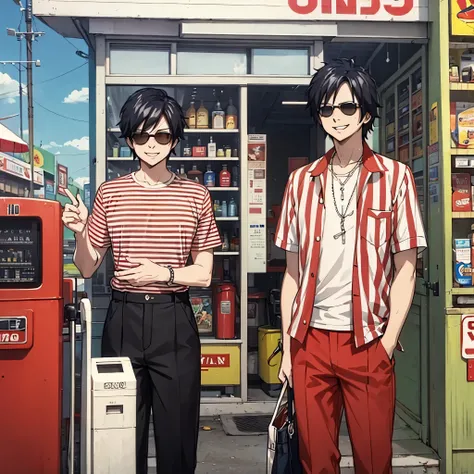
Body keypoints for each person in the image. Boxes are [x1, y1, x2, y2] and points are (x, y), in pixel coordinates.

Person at [275, 58, 427, 474]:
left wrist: (388, 341)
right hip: (310, 341)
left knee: (375, 459)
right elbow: (292, 272)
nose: (336, 117)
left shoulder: (395, 178)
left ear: (365, 112)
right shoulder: (301, 182)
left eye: (346, 107)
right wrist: (290, 349)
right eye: (326, 109)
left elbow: (407, 266)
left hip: (367, 341)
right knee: (314, 460)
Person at [62, 88, 222, 474]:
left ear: (176, 138)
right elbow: (87, 267)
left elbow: (204, 273)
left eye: (162, 135)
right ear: (130, 138)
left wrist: (162, 273)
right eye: (142, 136)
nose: (152, 144)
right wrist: (81, 231)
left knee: (179, 435)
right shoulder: (110, 193)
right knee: (118, 434)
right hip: (124, 319)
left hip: (174, 320)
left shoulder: (196, 195)